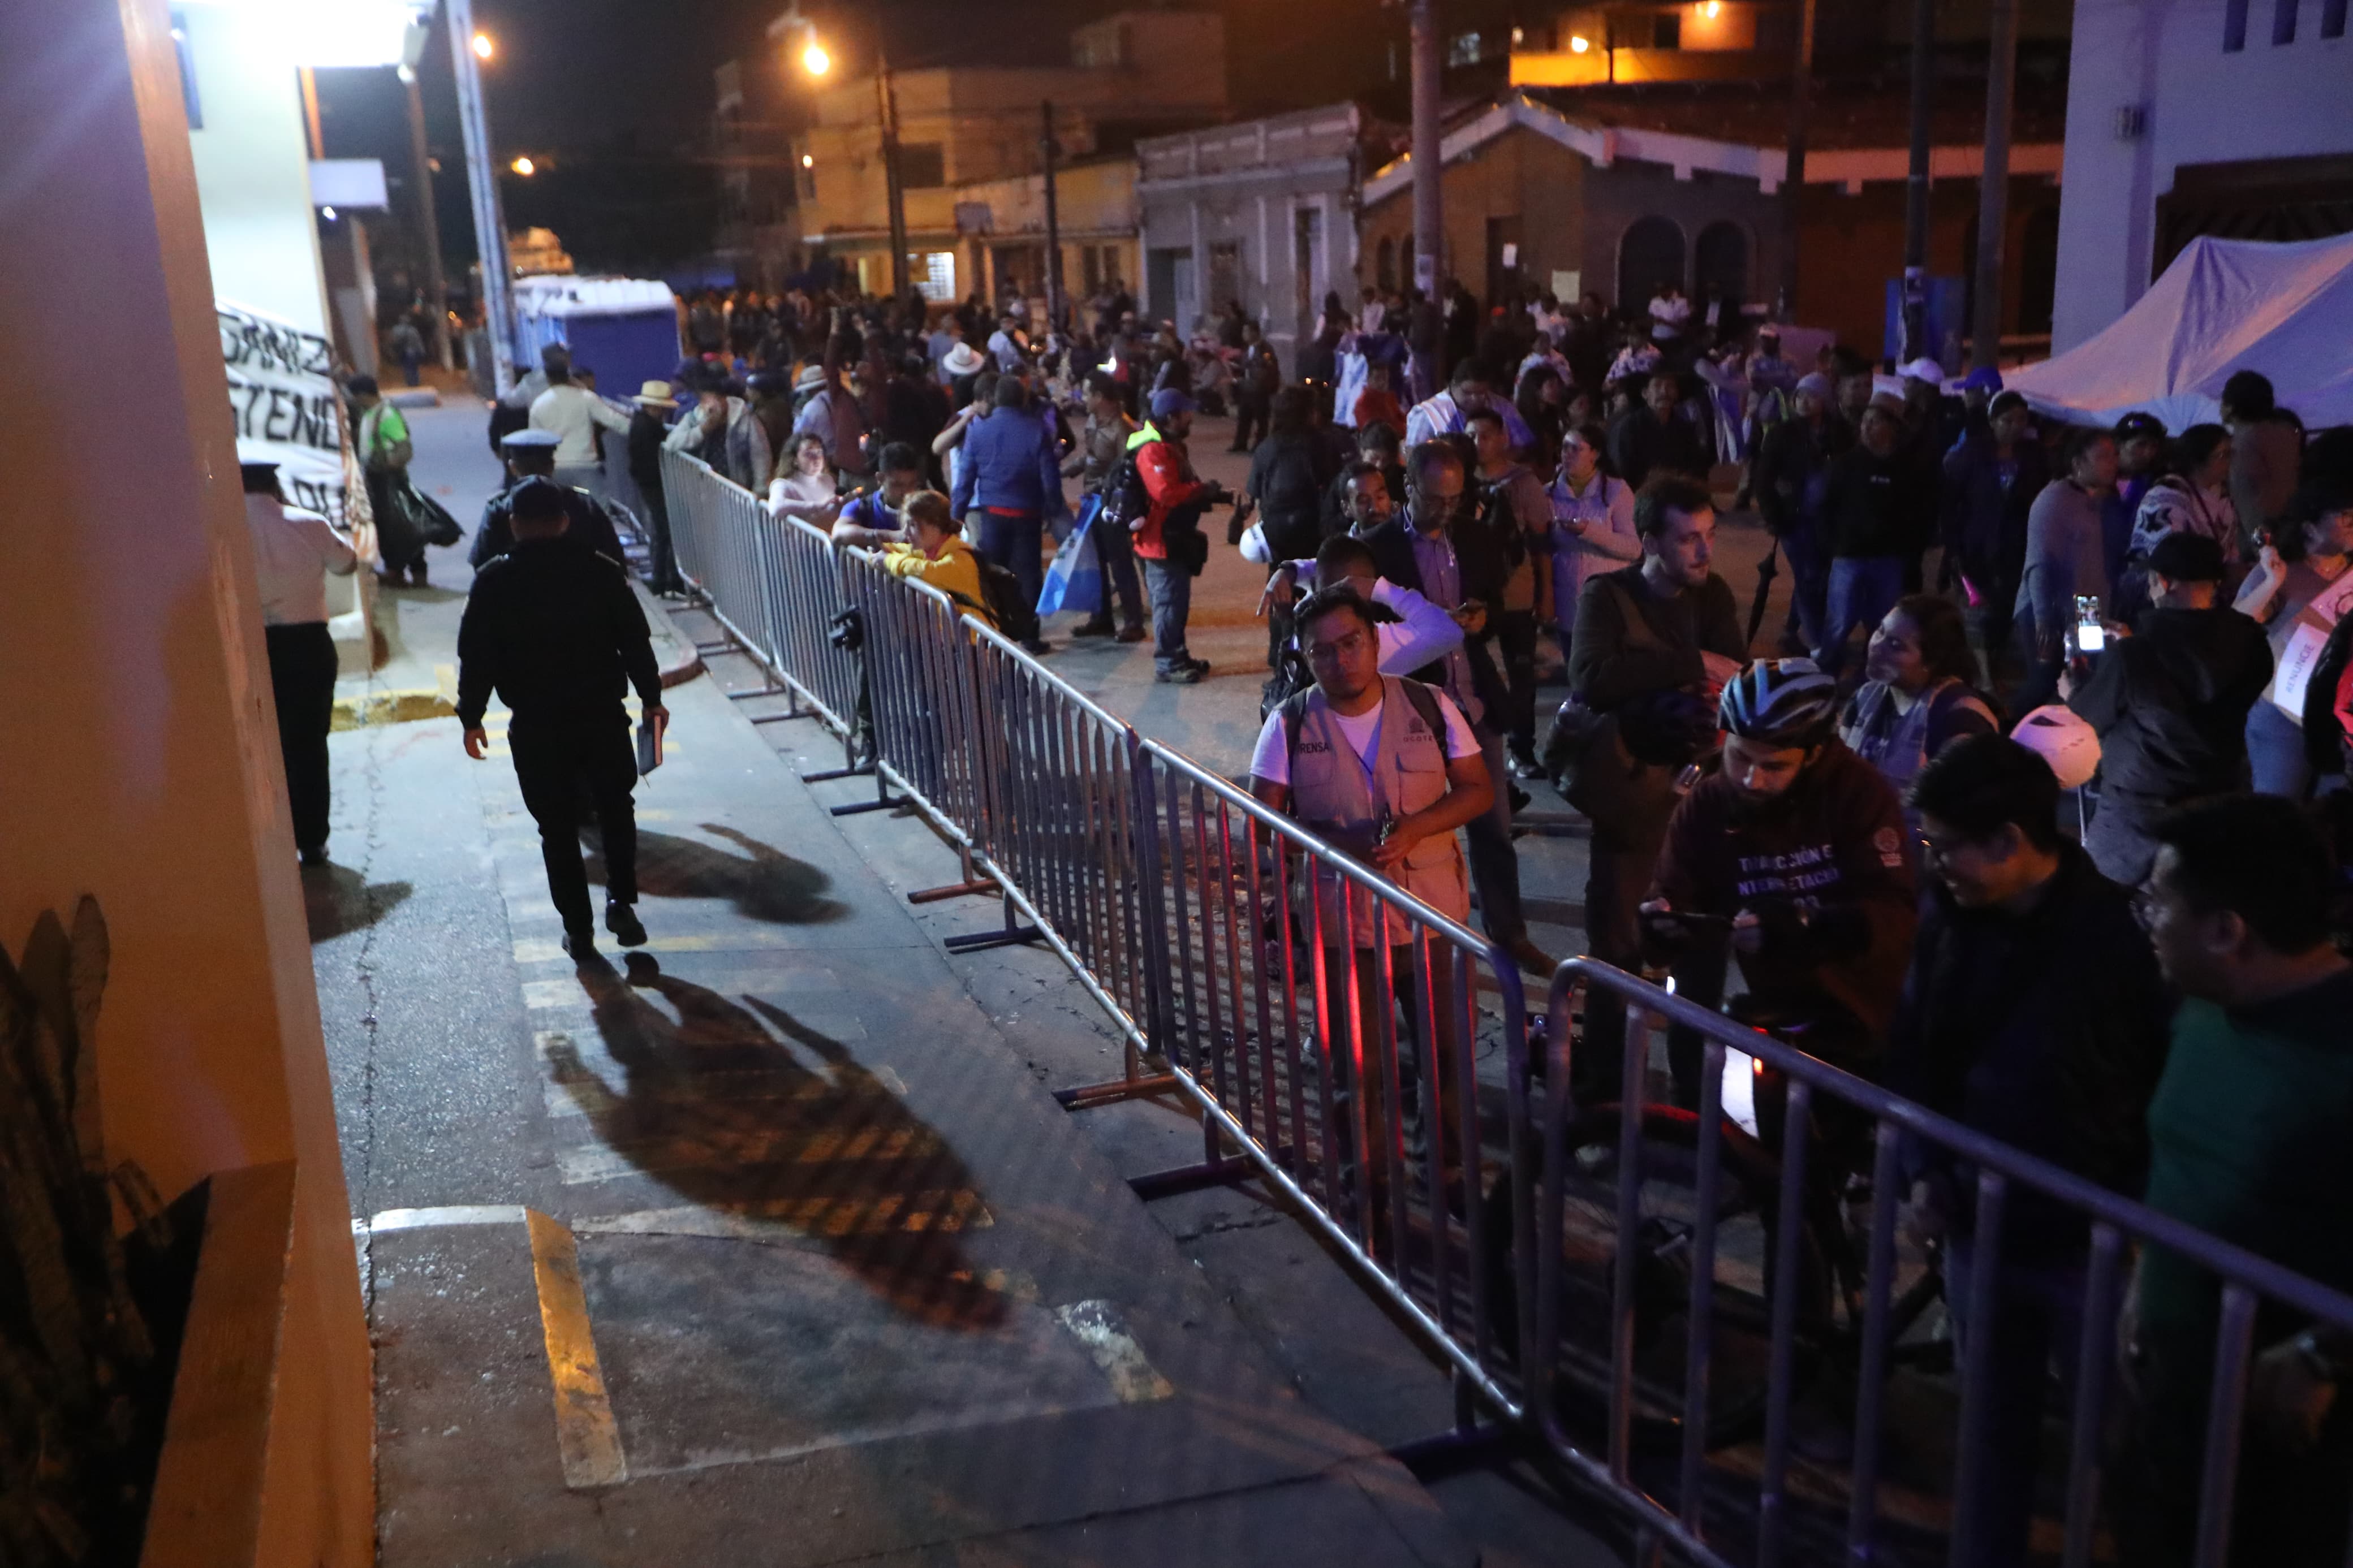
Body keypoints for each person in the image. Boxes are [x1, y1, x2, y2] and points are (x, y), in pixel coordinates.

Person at [1890, 735, 2171, 1568]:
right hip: (1981, 1219)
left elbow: (2150, 1091)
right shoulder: (1953, 910)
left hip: (2091, 1239)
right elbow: (1919, 1041)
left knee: (2115, 1442)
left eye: (1947, 848)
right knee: (1990, 1428)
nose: (1936, 864)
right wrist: (1923, 1170)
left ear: (2012, 840)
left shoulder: (2121, 943)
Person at [2119, 794, 2353, 1568]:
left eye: (2160, 903)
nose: (2147, 919)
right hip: (2173, 1399)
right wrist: (2145, 1279)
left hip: (2288, 1449)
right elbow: (2178, 1157)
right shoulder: (2203, 1004)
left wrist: (2328, 1350)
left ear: (2227, 931)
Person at [1248, 584, 1492, 1222]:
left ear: (1375, 640)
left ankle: (1444, 1172)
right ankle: (1368, 1187)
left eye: (1350, 643)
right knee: (1357, 1071)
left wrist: (1417, 826)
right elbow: (1261, 820)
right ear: (1304, 658)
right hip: (1342, 927)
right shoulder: (1290, 723)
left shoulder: (1430, 705)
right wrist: (1336, 842)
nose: (1339, 660)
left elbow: (1476, 790)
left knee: (1445, 1060)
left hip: (1434, 920)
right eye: (1321, 651)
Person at [1638, 659, 1917, 1103]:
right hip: (1775, 1014)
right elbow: (1674, 888)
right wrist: (1661, 921)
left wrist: (1809, 925)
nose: (1752, 778)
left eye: (1774, 766)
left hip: (1866, 1010)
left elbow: (1897, 910)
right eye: (1741, 757)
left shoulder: (1859, 794)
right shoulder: (1709, 802)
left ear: (1814, 755)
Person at [1554, 475, 1747, 1083]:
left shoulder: (1711, 596)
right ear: (1648, 542)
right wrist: (1689, 664)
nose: (1704, 551)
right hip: (1633, 800)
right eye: (1688, 539)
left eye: (1709, 535)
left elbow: (1731, 678)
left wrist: (1675, 677)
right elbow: (1590, 677)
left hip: (1703, 804)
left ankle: (1694, 1102)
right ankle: (1603, 1097)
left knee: (1700, 960)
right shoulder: (1606, 597)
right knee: (1617, 955)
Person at [456, 477, 666, 965]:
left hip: (536, 724)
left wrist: (472, 715)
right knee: (617, 808)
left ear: (513, 526)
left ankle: (579, 929)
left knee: (556, 828)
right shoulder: (601, 572)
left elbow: (477, 655)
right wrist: (651, 698)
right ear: (566, 521)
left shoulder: (493, 580)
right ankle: (621, 901)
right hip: (600, 716)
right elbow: (634, 639)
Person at [1361, 441, 1551, 974]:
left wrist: (1477, 618)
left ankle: (1509, 934)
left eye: (1456, 499)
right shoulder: (1379, 548)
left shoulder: (1472, 537)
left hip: (1471, 697)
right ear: (1409, 489)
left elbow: (1490, 598)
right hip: (1414, 707)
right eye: (1436, 500)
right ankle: (1407, 945)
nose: (1447, 511)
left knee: (1493, 826)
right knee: (1409, 832)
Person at [2067, 531, 2273, 885]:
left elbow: (2087, 720)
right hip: (2220, 801)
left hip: (2139, 814)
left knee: (2102, 901)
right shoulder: (2251, 642)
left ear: (2162, 583)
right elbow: (2194, 662)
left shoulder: (2135, 656)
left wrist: (2072, 691)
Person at [242, 461, 358, 867]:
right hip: (308, 643)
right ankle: (311, 840)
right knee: (308, 745)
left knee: (255, 744)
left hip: (248, 646)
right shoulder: (309, 523)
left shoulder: (218, 528)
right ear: (274, 483)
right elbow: (348, 564)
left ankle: (265, 838)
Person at [2235, 477, 2353, 797]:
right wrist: (2272, 582)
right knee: (2278, 815)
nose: (2352, 524)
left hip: (2341, 723)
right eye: (2345, 518)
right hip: (2283, 719)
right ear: (2310, 527)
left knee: (2335, 817)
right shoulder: (2279, 571)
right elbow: (2235, 626)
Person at [1838, 594, 1999, 822]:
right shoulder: (1864, 697)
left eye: (1896, 645)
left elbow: (1969, 812)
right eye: (1880, 632)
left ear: (1931, 661)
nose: (1876, 647)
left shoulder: (1960, 717)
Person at [1817, 398, 1930, 677]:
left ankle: (1869, 677)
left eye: (1875, 422)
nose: (1867, 428)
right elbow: (1826, 507)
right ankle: (1825, 675)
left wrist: (1906, 548)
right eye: (1865, 421)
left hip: (1887, 559)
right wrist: (1834, 544)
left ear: (1892, 428)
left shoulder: (1906, 469)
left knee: (1881, 623)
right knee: (1839, 622)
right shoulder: (1846, 465)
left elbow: (1917, 512)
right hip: (1849, 557)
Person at [1941, 388, 2048, 684]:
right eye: (2007, 420)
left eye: (2021, 420)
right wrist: (1953, 546)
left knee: (2005, 609)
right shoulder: (1972, 454)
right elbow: (1952, 501)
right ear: (1993, 421)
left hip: (2016, 546)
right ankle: (1983, 675)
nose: (2014, 426)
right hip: (1976, 545)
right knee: (1978, 610)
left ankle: (1994, 661)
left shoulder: (2035, 457)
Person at [949, 376, 1062, 654]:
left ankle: (995, 632)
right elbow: (1050, 480)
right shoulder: (1037, 430)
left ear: (996, 399)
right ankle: (1030, 637)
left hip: (992, 515)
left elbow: (965, 480)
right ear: (1023, 399)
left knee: (993, 575)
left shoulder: (978, 431)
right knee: (1028, 576)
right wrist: (1053, 510)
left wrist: (956, 516)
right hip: (1027, 514)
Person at [2011, 427, 2121, 717]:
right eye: (2103, 457)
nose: (2113, 463)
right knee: (2043, 679)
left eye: (2114, 456)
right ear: (2078, 463)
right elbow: (2040, 564)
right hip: (2049, 606)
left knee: (2086, 676)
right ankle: (2008, 730)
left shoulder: (2102, 501)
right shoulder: (2053, 501)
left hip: (2088, 607)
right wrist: (2044, 619)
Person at [1468, 405, 1552, 774]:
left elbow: (1541, 543)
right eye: (1471, 435)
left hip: (1517, 595)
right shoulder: (1460, 480)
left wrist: (1546, 593)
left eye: (1485, 435)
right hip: (1474, 598)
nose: (1478, 443)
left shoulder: (1524, 482)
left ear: (1503, 438)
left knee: (1521, 676)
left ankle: (1522, 750)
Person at [1128, 388, 1229, 684]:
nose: (1191, 419)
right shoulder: (1153, 449)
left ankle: (1177, 653)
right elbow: (1165, 492)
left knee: (1177, 602)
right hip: (1159, 541)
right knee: (1168, 603)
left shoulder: (1169, 445)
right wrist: (1200, 491)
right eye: (1187, 414)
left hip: (1171, 537)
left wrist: (1210, 494)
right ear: (1171, 417)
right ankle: (1168, 662)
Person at [1756, 372, 1846, 659]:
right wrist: (1773, 515)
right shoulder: (1782, 434)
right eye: (1800, 396)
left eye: (1812, 396)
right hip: (1793, 519)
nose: (1804, 402)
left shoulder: (1838, 433)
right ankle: (1819, 644)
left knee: (1816, 577)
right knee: (1808, 577)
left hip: (1826, 522)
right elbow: (1764, 478)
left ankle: (1791, 631)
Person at [2120, 424, 2237, 620]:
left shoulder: (2223, 498)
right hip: (2167, 604)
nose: (2230, 462)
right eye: (2222, 455)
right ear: (2199, 458)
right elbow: (2167, 559)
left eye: (2231, 453)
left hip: (2208, 601)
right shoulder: (2166, 497)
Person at [1062, 373, 1146, 642]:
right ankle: (1102, 618)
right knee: (1096, 561)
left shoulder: (1122, 428)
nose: (1082, 398)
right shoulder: (1094, 420)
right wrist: (1067, 471)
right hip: (1093, 498)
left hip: (1111, 503)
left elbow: (1129, 469)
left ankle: (1133, 621)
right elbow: (1091, 457)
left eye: (1087, 393)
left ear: (1100, 397)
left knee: (1120, 561)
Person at [1545, 421, 1639, 655]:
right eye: (1565, 447)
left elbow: (1633, 548)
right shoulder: (1548, 493)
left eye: (1576, 448)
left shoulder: (1616, 491)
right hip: (1566, 598)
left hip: (1607, 599)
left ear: (1595, 455)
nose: (1567, 454)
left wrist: (1590, 532)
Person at [471, 428, 627, 568]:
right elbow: (613, 557)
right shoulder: (584, 504)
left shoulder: (499, 507)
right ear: (552, 465)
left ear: (512, 467)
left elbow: (482, 562)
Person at [877, 489, 993, 628]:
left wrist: (887, 560)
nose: (906, 532)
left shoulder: (960, 558)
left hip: (974, 644)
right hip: (953, 643)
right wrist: (883, 548)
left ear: (935, 525)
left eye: (913, 525)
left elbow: (928, 570)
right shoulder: (932, 550)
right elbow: (908, 551)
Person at [350, 375, 424, 588]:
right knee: (387, 527)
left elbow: (403, 448)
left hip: (389, 481)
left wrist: (386, 465)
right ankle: (396, 570)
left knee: (402, 526)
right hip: (378, 479)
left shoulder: (386, 416)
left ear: (363, 395)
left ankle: (415, 570)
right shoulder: (371, 415)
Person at [528, 358, 635, 498]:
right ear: (568, 376)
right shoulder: (586, 398)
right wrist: (640, 431)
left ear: (548, 378)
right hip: (586, 464)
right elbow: (614, 420)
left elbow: (534, 441)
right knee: (598, 510)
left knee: (562, 509)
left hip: (555, 467)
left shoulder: (539, 405)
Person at [2222, 368, 2303, 548]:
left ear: (2231, 407)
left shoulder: (2242, 444)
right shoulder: (2287, 433)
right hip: (2296, 525)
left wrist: (2259, 547)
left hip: (2267, 538)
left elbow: (2249, 503)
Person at [626, 381, 684, 595]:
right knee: (663, 532)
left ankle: (662, 578)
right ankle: (663, 579)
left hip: (648, 483)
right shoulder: (647, 428)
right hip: (653, 484)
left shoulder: (641, 423)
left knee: (662, 531)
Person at [1608, 369, 1710, 493]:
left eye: (1670, 386)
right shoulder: (1629, 427)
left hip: (1677, 496)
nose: (1664, 392)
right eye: (1657, 386)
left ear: (1676, 393)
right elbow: (1623, 472)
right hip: (1639, 496)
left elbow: (1696, 469)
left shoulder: (1685, 429)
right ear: (1645, 394)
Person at [1404, 362, 1529, 454]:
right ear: (1453, 386)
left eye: (1481, 393)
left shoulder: (1503, 407)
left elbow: (1523, 446)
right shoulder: (1428, 414)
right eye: (1467, 393)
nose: (1475, 398)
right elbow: (1414, 456)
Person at [827, 442, 925, 547]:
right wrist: (891, 537)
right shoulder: (863, 507)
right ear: (880, 479)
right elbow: (839, 533)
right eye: (897, 485)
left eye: (912, 484)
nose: (906, 491)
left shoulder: (927, 508)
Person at [769, 433, 841, 526]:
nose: (817, 459)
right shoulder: (783, 485)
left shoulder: (827, 480)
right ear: (795, 460)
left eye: (819, 452)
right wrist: (818, 505)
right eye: (809, 454)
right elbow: (776, 508)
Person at [1230, 320, 1281, 453]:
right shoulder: (1248, 349)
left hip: (1259, 390)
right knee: (1244, 417)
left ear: (1255, 333)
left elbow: (1267, 369)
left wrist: (1250, 377)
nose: (1244, 335)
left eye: (1246, 332)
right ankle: (1241, 442)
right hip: (1247, 388)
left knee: (1261, 419)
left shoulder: (1265, 350)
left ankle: (1259, 444)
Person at [386, 317, 426, 387]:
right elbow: (418, 342)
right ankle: (416, 383)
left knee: (406, 368)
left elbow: (392, 341)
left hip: (403, 352)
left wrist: (393, 351)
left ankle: (409, 383)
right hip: (414, 352)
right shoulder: (413, 330)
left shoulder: (396, 330)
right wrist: (422, 351)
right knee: (414, 368)